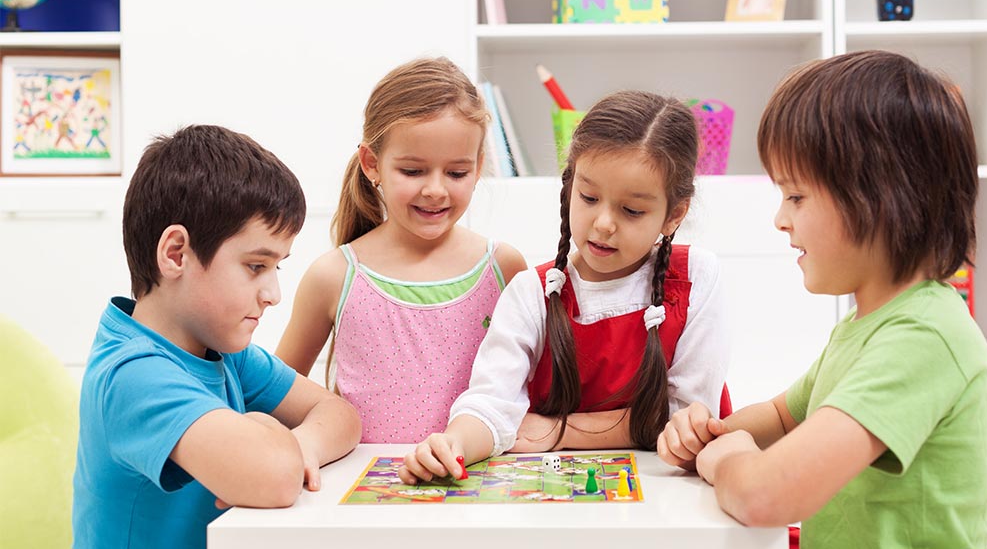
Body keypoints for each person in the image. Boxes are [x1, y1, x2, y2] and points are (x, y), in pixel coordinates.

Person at [657, 50, 987, 548]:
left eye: (796, 197)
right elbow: (780, 416)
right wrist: (708, 435)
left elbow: (765, 497)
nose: (780, 219)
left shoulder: (923, 338)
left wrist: (728, 458)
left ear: (880, 199)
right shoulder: (866, 327)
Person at [399, 89, 730, 483]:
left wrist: (557, 430)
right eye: (589, 197)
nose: (604, 223)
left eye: (632, 210)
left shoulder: (696, 276)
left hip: (673, 494)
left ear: (674, 215)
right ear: (569, 186)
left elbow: (683, 420)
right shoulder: (530, 293)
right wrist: (452, 444)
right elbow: (492, 405)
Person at [72, 125, 361, 549]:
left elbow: (341, 415)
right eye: (256, 266)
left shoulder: (222, 352)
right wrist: (263, 430)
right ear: (176, 254)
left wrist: (299, 444)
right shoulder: (131, 374)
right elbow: (275, 479)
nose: (273, 295)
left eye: (276, 267)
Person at [275, 56, 526, 443]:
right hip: (364, 495)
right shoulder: (334, 276)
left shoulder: (504, 268)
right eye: (413, 171)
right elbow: (273, 397)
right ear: (371, 163)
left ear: (478, 166)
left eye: (457, 173)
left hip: (478, 488)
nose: (436, 190)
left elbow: (528, 393)